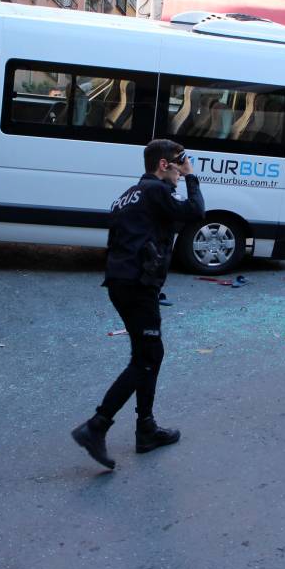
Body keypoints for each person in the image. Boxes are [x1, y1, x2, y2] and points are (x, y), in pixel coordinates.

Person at [72, 139, 205, 469]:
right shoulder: (155, 191)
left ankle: (146, 428)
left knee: (148, 355)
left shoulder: (129, 195)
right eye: (178, 164)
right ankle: (97, 425)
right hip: (136, 285)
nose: (181, 171)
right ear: (163, 165)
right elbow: (195, 212)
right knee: (147, 357)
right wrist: (192, 176)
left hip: (124, 283)